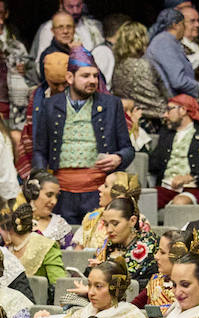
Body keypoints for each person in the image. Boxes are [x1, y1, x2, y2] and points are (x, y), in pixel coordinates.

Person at [32, 48, 134, 224]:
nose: (93, 81)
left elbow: (128, 149)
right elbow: (40, 151)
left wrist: (118, 158)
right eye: (86, 76)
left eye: (95, 76)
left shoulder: (111, 104)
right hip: (61, 194)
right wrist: (42, 180)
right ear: (70, 78)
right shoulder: (49, 106)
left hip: (99, 192)